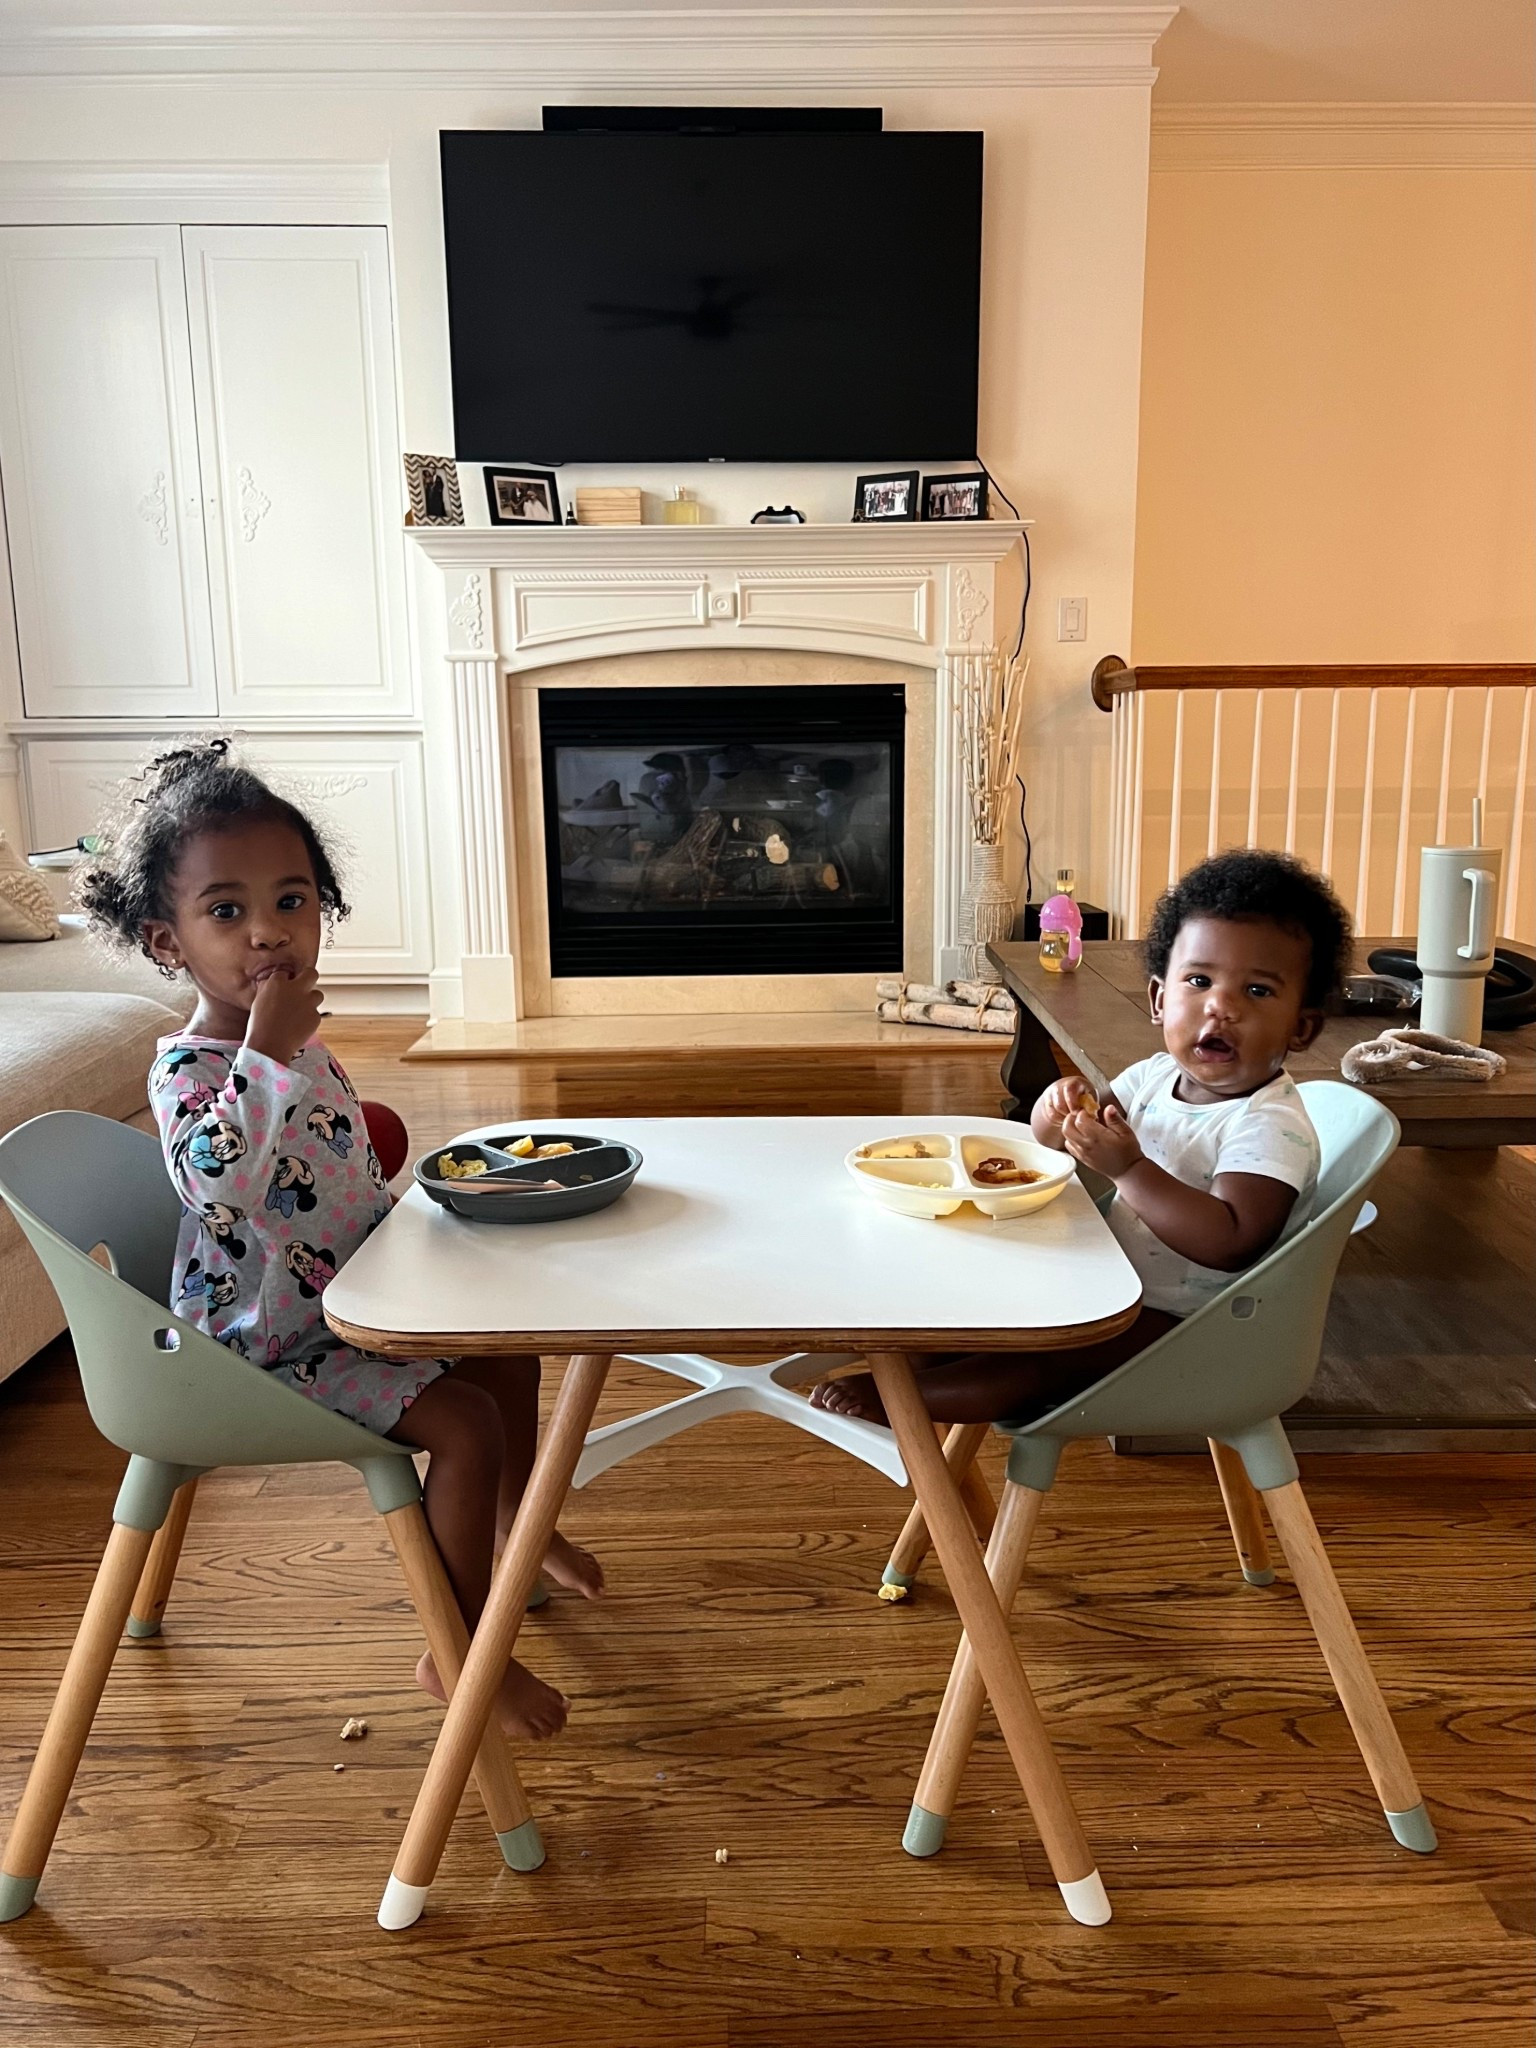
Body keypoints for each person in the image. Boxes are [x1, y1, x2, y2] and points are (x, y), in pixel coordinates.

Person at [77, 739, 600, 1739]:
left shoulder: (293, 1046)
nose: (268, 931)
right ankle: (459, 1654)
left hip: (348, 1303)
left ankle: (510, 1533)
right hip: (265, 1348)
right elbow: (217, 1179)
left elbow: (331, 1171)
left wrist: (412, 1213)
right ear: (167, 941)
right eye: (226, 911)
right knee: (467, 1425)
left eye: (293, 900)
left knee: (511, 1357)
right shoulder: (192, 1068)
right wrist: (266, 1053)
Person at [813, 848, 1351, 1425]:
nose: (1220, 1007)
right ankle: (926, 1366)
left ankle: (906, 1401)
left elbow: (1232, 1240)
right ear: (1159, 999)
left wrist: (1129, 1170)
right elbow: (1064, 1141)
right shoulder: (1154, 1077)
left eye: (1258, 991)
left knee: (1039, 1364)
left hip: (1189, 1327)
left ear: (1302, 1028)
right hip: (1112, 1284)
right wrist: (1056, 1111)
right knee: (969, 1298)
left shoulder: (1268, 1125)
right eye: (1199, 981)